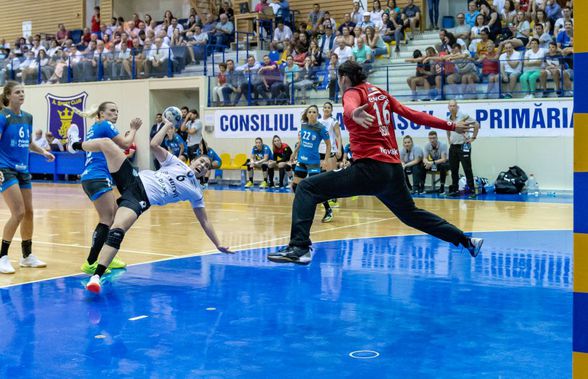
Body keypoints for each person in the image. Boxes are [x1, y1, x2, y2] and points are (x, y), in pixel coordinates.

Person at [267, 61, 483, 265]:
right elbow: (413, 114)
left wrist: (352, 112)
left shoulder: (351, 93)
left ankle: (300, 247)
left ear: (343, 78)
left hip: (369, 169)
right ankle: (465, 240)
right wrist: (451, 126)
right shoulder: (380, 92)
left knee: (306, 187)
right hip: (393, 171)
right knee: (411, 214)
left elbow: (350, 103)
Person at [66, 120, 232, 293]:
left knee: (117, 231)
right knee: (106, 143)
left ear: (206, 173)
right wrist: (167, 125)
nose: (202, 165)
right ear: (194, 161)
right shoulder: (176, 162)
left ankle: (96, 277)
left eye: (206, 166)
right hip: (133, 179)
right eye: (201, 162)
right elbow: (154, 145)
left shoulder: (196, 192)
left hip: (140, 199)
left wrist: (218, 244)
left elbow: (205, 221)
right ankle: (74, 145)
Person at [67, 102, 140, 275]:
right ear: (100, 114)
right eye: (112, 111)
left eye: (117, 111)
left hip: (96, 177)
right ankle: (91, 262)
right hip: (97, 176)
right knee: (107, 219)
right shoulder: (105, 125)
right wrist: (134, 129)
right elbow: (125, 144)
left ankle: (108, 256)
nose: (115, 114)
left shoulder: (96, 128)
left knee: (114, 216)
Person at [0, 81, 55, 274]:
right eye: (17, 92)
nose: (21, 94)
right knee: (18, 212)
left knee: (29, 212)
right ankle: (3, 256)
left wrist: (43, 152)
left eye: (23, 91)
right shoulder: (2, 117)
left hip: (23, 170)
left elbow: (29, 143)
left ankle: (26, 256)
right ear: (8, 96)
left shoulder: (28, 117)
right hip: (5, 169)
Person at [289, 105, 333, 223]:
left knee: (316, 188)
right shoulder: (303, 125)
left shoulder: (321, 128)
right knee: (295, 186)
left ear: (317, 114)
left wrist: (325, 160)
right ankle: (302, 209)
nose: (312, 114)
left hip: (313, 162)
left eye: (314, 112)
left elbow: (329, 145)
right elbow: (302, 141)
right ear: (307, 114)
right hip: (302, 160)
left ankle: (328, 209)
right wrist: (294, 152)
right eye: (310, 112)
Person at [446, 100, 479, 198]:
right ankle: (455, 190)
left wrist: (473, 138)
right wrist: (449, 140)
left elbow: (476, 124)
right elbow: (448, 130)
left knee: (467, 168)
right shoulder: (448, 118)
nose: (452, 108)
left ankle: (472, 190)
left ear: (457, 107)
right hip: (453, 147)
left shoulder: (464, 116)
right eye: (450, 106)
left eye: (454, 106)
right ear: (448, 108)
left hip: (464, 145)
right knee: (454, 169)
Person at [318, 101, 343, 207]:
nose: (327, 109)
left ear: (331, 110)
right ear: (322, 109)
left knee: (331, 175)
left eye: (329, 107)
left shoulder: (333, 121)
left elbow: (338, 136)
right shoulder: (318, 122)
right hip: (320, 151)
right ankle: (325, 197)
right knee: (321, 175)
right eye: (325, 107)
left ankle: (334, 196)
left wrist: (339, 149)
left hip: (331, 150)